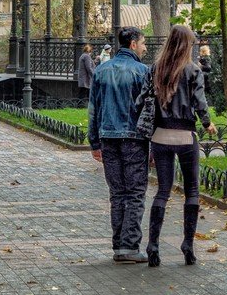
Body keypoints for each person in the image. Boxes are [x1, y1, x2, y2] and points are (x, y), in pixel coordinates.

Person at [143, 25, 218, 267]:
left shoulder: (156, 69)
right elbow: (199, 101)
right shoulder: (193, 70)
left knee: (162, 191)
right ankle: (188, 244)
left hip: (161, 135)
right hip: (185, 135)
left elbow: (145, 100)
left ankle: (153, 243)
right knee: (192, 191)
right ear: (186, 45)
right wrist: (207, 123)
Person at [88, 27, 150, 264]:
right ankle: (129, 246)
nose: (145, 47)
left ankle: (119, 246)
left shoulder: (101, 70)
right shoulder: (142, 72)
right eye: (143, 43)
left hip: (107, 137)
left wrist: (94, 142)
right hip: (134, 139)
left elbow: (93, 109)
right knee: (135, 192)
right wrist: (151, 143)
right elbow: (148, 111)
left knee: (117, 193)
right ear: (133, 44)